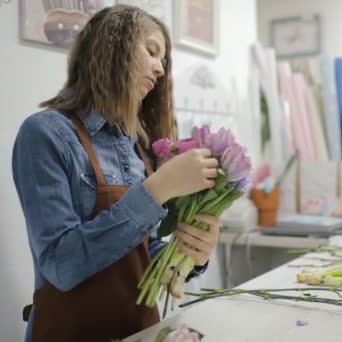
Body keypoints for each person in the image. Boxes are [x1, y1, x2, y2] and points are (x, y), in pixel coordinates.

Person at [12, 5, 221, 342]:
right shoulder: (44, 134)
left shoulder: (137, 145)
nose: (160, 70)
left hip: (140, 330)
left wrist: (190, 253)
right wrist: (158, 189)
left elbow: (140, 254)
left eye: (164, 61)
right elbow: (61, 266)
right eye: (151, 51)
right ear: (113, 46)